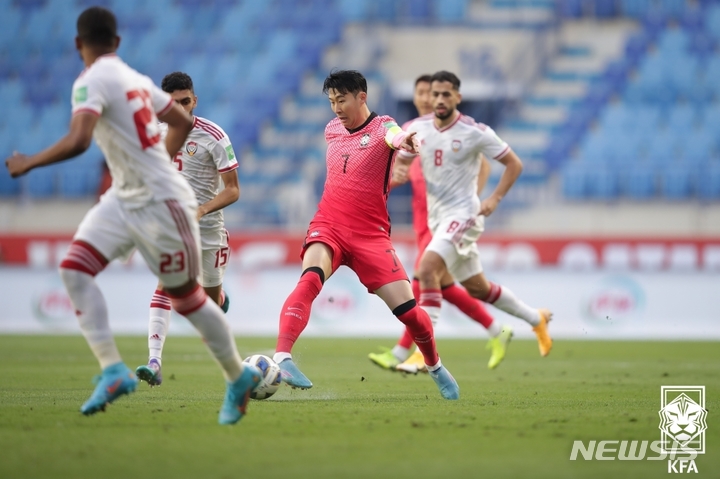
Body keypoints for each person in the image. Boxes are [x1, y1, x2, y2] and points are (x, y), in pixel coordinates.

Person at [4, 7, 260, 425]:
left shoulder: (90, 81)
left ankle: (237, 376)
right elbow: (177, 120)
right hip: (124, 197)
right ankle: (113, 370)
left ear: (77, 44)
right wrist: (158, 158)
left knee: (188, 300)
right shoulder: (136, 80)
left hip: (161, 200)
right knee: (74, 269)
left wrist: (29, 162)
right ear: (118, 43)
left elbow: (79, 139)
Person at [271, 70, 459, 400]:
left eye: (341, 100)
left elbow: (396, 136)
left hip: (370, 236)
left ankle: (435, 366)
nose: (336, 109)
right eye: (331, 102)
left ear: (362, 97)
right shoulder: (331, 130)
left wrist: (407, 142)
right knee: (309, 279)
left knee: (410, 313)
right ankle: (282, 357)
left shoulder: (382, 126)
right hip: (328, 224)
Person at [396, 71, 553, 358]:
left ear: (458, 96)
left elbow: (513, 164)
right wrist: (398, 172)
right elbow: (402, 162)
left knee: (428, 268)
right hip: (438, 218)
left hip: (464, 215)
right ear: (429, 98)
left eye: (446, 94)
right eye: (435, 94)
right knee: (478, 289)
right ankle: (536, 319)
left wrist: (494, 197)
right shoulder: (417, 129)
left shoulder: (474, 131)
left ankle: (423, 352)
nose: (440, 99)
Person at [369, 74, 512, 374]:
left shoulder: (448, 133)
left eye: (428, 93)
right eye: (419, 93)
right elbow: (397, 172)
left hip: (446, 222)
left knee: (424, 279)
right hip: (425, 221)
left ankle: (404, 352)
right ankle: (496, 328)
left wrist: (470, 203)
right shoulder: (416, 134)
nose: (424, 98)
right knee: (443, 286)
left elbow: (483, 164)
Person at [135, 71, 239, 387]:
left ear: (194, 99)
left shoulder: (214, 135)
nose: (180, 107)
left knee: (207, 306)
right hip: (171, 227)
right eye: (173, 103)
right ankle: (154, 361)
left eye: (185, 101)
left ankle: (218, 299)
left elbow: (233, 189)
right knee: (165, 285)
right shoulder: (153, 132)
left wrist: (202, 210)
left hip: (208, 228)